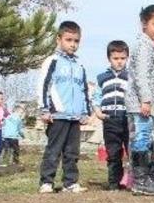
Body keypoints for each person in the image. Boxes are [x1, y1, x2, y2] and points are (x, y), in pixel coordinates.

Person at [38, 21, 92, 194]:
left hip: (74, 117)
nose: (73, 44)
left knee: (72, 152)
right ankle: (47, 182)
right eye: (69, 40)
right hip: (57, 115)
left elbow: (84, 90)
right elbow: (43, 85)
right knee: (54, 150)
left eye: (76, 41)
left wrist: (85, 112)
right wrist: (44, 109)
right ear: (58, 39)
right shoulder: (52, 61)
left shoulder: (79, 66)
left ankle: (70, 182)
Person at [125, 5, 154, 196]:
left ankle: (144, 178)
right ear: (144, 24)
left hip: (147, 104)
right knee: (141, 140)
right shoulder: (143, 46)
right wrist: (145, 100)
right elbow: (141, 76)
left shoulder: (151, 46)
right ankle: (140, 181)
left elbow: (149, 75)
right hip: (140, 104)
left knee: (146, 139)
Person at [95, 40, 131, 190]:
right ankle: (113, 183)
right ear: (109, 58)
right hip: (110, 119)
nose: (119, 62)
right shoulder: (102, 77)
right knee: (113, 152)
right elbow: (96, 96)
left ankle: (132, 181)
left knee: (132, 151)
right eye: (116, 58)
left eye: (123, 58)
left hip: (128, 119)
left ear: (127, 58)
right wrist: (98, 111)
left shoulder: (131, 77)